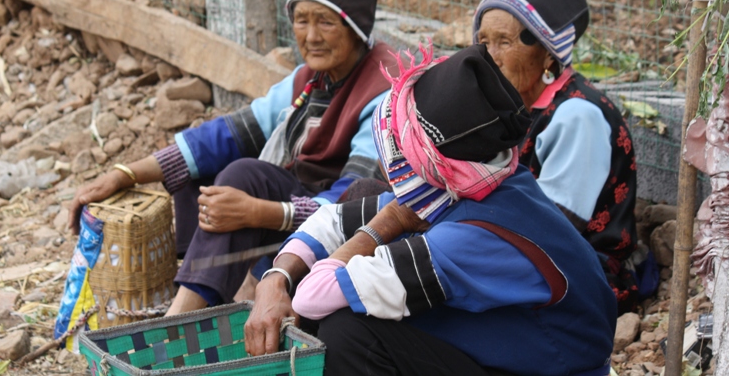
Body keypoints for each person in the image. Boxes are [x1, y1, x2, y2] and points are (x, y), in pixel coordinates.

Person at [67, 0, 397, 315]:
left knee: (243, 177)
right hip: (291, 221)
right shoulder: (308, 80)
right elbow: (222, 136)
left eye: (325, 23)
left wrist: (255, 211)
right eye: (302, 20)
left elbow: (349, 204)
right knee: (202, 173)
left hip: (341, 242)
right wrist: (125, 174)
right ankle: (213, 297)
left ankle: (181, 320)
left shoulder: (383, 90)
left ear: (355, 27)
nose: (310, 36)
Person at [245, 44, 617, 376]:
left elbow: (313, 296)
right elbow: (329, 220)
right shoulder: (479, 179)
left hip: (553, 368)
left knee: (346, 332)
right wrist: (275, 280)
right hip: (509, 345)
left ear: (426, 162)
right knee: (361, 198)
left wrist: (380, 227)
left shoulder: (467, 239)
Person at [472, 0, 643, 313]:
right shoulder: (511, 106)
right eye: (483, 43)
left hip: (579, 274)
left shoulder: (577, 116)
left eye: (505, 42)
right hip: (524, 249)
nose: (489, 58)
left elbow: (552, 229)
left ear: (548, 53)